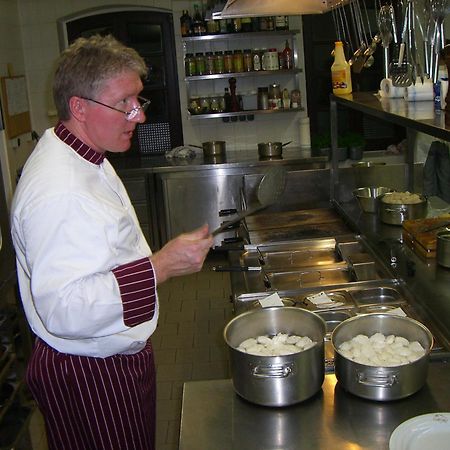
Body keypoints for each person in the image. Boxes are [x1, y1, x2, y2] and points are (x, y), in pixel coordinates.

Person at [10, 35, 213, 450]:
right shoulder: (60, 189)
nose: (138, 116)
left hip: (107, 353)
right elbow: (64, 308)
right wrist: (160, 267)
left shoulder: (85, 153)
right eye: (124, 103)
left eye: (139, 100)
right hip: (91, 371)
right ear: (79, 107)